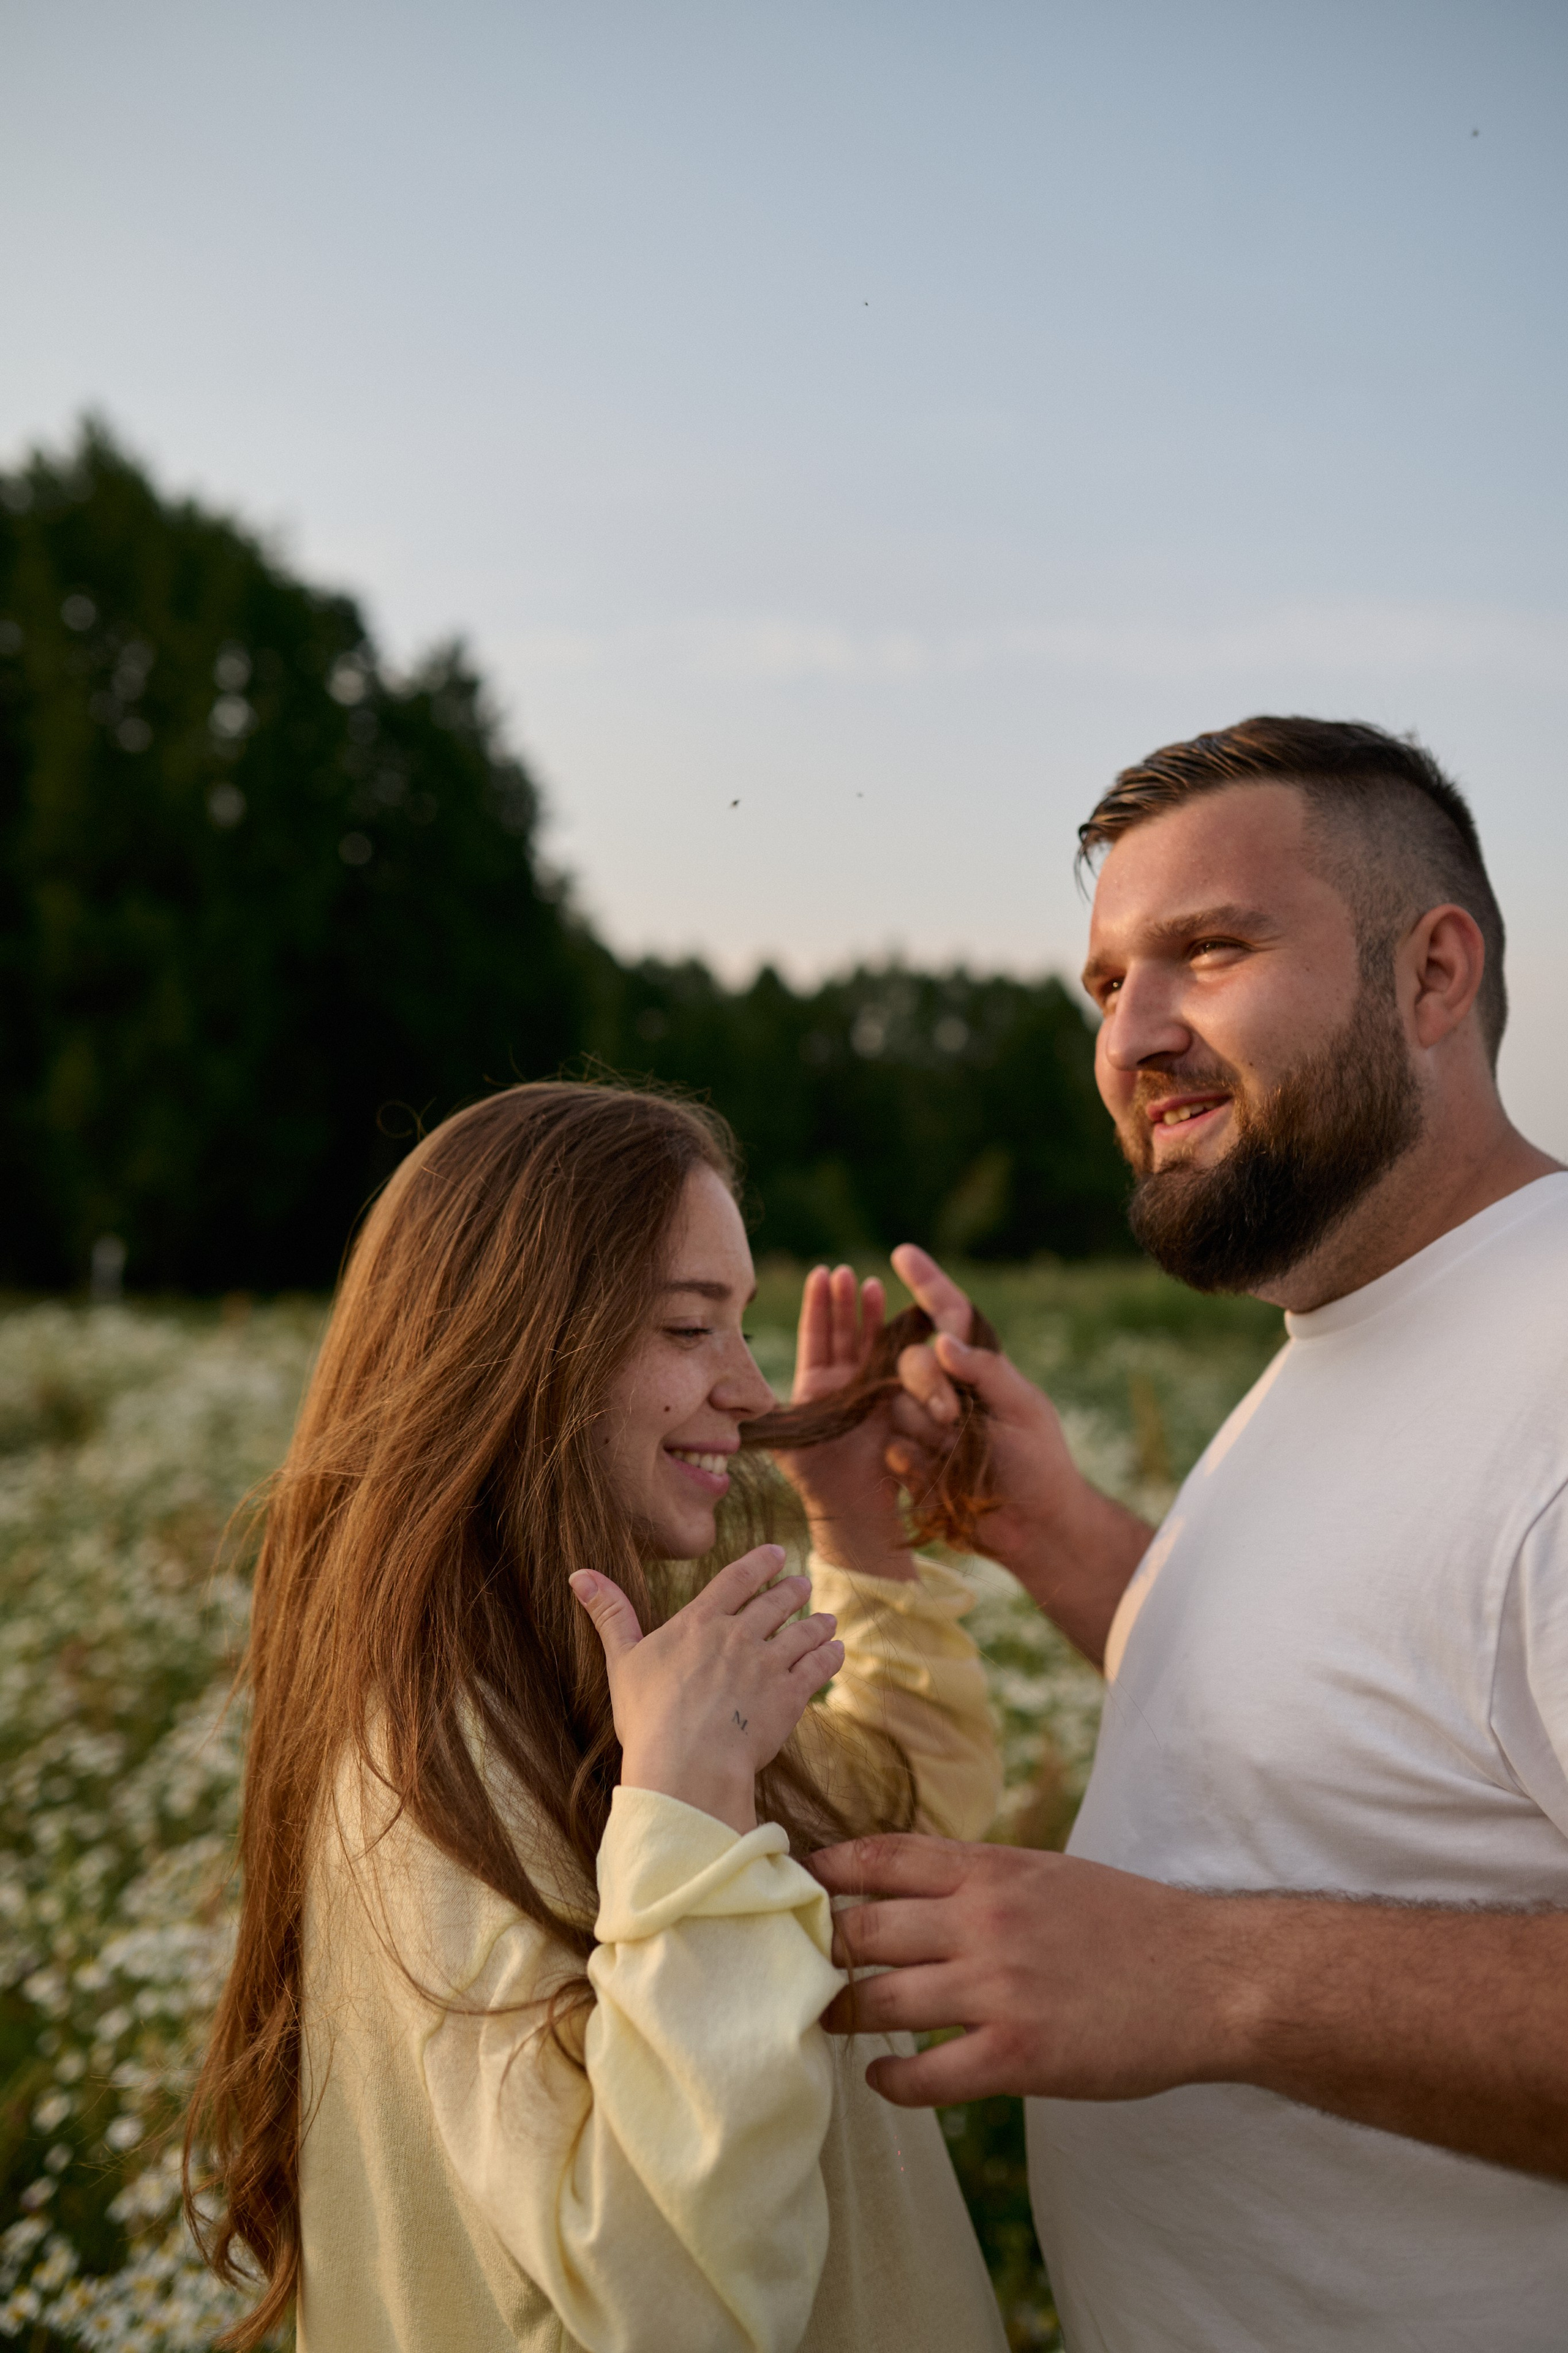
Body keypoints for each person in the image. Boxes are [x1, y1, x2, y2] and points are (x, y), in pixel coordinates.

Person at [810, 716, 1568, 2351]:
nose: (1132, 1036)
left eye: (1210, 951)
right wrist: (1057, 1529)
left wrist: (1205, 1978)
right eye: (1104, 985)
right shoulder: (1360, 1322)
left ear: (1434, 975)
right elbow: (1382, 1714)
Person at [186, 1083, 1006, 2353]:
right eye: (691, 1327)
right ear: (522, 1346)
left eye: (739, 1323)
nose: (745, 1386)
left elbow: (897, 1834)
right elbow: (661, 2300)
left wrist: (848, 1512)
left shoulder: (595, 1675)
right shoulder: (433, 1766)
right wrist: (680, 1815)